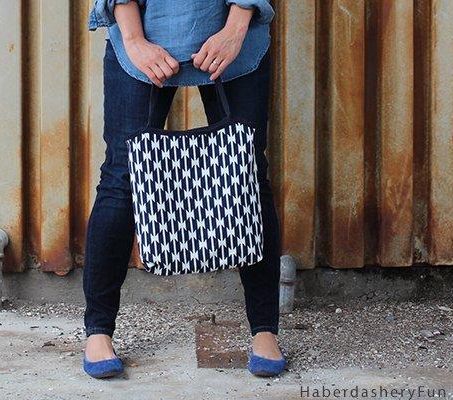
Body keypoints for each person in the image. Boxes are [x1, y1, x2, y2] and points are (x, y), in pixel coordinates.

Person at [83, 0, 285, 378]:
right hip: (143, 34)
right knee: (121, 179)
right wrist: (134, 39)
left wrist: (235, 29)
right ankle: (98, 332)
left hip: (232, 37)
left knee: (248, 176)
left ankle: (264, 331)